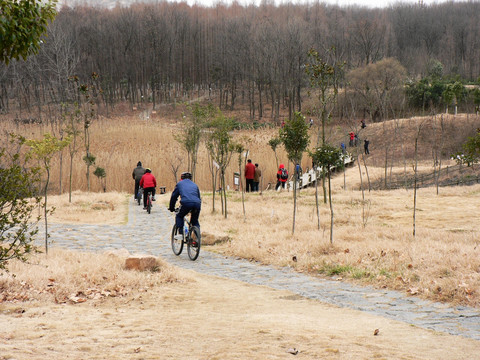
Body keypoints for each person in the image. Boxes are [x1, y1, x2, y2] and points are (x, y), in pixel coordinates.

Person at [168, 172, 201, 237]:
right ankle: (197, 238)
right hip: (197, 203)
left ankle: (181, 234)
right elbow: (198, 197)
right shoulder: (195, 185)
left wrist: (171, 207)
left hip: (186, 203)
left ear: (181, 178)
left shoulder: (179, 184)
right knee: (195, 221)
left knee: (179, 216)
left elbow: (174, 196)